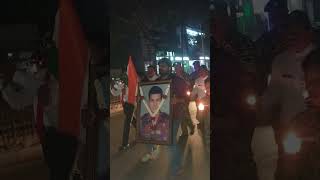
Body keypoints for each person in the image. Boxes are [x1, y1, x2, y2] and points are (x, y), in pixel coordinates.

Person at [258, 10, 316, 180]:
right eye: (289, 32)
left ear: (308, 32)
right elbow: (273, 93)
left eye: (297, 31)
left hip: (316, 128)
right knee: (289, 170)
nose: (293, 36)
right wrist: (262, 106)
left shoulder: (316, 58)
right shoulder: (280, 61)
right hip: (290, 129)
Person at [1, 52, 77, 180]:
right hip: (46, 134)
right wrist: (4, 85)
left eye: (39, 61)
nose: (36, 65)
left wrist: (14, 74)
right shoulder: (39, 80)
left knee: (61, 173)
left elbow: (39, 90)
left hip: (61, 134)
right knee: (56, 172)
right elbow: (18, 102)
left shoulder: (59, 81)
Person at [211, 2, 258, 179]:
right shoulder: (212, 49)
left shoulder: (242, 43)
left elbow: (251, 73)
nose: (216, 24)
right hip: (218, 114)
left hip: (239, 112)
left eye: (220, 18)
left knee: (242, 158)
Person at [276, 49, 320, 180]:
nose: (313, 87)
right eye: (309, 81)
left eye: (318, 80)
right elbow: (287, 171)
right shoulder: (300, 124)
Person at [255, 0, 289, 95]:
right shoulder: (265, 41)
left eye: (279, 14)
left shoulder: (295, 35)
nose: (276, 18)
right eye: (273, 15)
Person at [110, 71, 136, 151]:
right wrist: (113, 86)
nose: (124, 78)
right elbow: (114, 93)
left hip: (131, 104)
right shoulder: (121, 85)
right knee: (132, 121)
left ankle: (125, 144)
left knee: (127, 123)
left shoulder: (133, 84)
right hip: (125, 105)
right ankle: (141, 132)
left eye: (126, 76)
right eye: (123, 77)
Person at [174, 62, 195, 136]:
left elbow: (191, 84)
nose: (177, 69)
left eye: (178, 67)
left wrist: (189, 84)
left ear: (181, 67)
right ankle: (185, 132)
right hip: (177, 97)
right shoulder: (174, 77)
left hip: (185, 97)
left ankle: (191, 127)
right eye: (176, 67)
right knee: (182, 114)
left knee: (185, 113)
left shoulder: (186, 75)